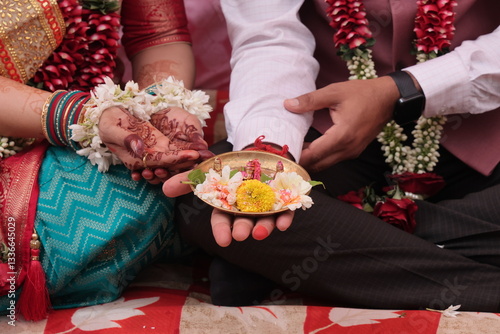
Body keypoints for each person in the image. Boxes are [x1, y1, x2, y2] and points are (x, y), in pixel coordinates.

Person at [163, 0, 500, 312]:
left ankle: (329, 251)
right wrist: (268, 154)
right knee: (207, 197)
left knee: (259, 236)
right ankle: (474, 278)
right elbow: (269, 38)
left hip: (487, 133)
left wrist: (403, 89)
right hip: (330, 135)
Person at [0, 0, 212, 321]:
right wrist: (84, 116)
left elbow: (157, 34)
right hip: (68, 122)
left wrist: (162, 108)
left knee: (147, 191)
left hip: (85, 140)